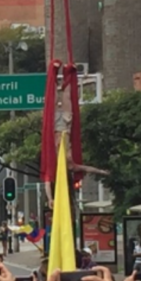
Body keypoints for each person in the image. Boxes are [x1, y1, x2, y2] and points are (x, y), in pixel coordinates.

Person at [44, 72, 109, 208]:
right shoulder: (70, 165)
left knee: (55, 98)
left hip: (56, 127)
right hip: (66, 126)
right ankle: (69, 74)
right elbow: (88, 168)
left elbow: (47, 182)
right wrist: (102, 171)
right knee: (67, 96)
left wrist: (50, 199)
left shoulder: (53, 165)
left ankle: (53, 75)